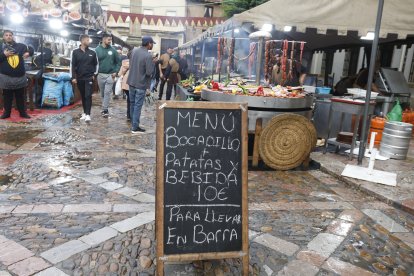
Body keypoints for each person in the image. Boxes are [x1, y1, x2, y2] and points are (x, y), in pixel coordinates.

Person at [127, 36, 155, 134]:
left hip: (131, 82)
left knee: (132, 104)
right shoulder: (148, 56)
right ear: (149, 44)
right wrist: (153, 63)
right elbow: (149, 72)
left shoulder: (134, 51)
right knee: (137, 105)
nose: (152, 46)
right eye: (152, 44)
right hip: (140, 83)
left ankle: (133, 124)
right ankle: (135, 127)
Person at [0, 30, 31, 119]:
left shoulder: (20, 46)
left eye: (10, 35)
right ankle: (6, 113)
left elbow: (31, 48)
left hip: (20, 76)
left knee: (20, 96)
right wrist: (4, 54)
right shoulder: (0, 47)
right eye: (6, 35)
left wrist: (28, 53)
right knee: (7, 96)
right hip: (6, 76)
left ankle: (22, 113)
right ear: (3, 37)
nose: (9, 36)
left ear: (13, 37)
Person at [70, 34, 98, 122]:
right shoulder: (74, 52)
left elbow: (96, 64)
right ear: (82, 41)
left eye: (88, 40)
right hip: (79, 78)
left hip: (89, 77)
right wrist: (73, 77)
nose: (88, 41)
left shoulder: (93, 52)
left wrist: (94, 74)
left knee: (88, 95)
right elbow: (72, 65)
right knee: (83, 95)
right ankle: (85, 113)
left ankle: (88, 114)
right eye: (87, 40)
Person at [95, 33, 121, 117]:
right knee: (102, 93)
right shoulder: (97, 50)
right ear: (103, 39)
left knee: (107, 93)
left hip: (110, 75)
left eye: (111, 40)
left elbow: (118, 62)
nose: (110, 41)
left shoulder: (113, 50)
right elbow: (94, 63)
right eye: (108, 39)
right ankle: (104, 107)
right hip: (100, 75)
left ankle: (105, 109)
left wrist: (115, 72)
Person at [118, 51, 131, 120]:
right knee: (132, 100)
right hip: (132, 83)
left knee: (129, 99)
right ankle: (131, 114)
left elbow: (120, 74)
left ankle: (129, 115)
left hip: (125, 83)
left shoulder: (124, 63)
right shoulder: (136, 62)